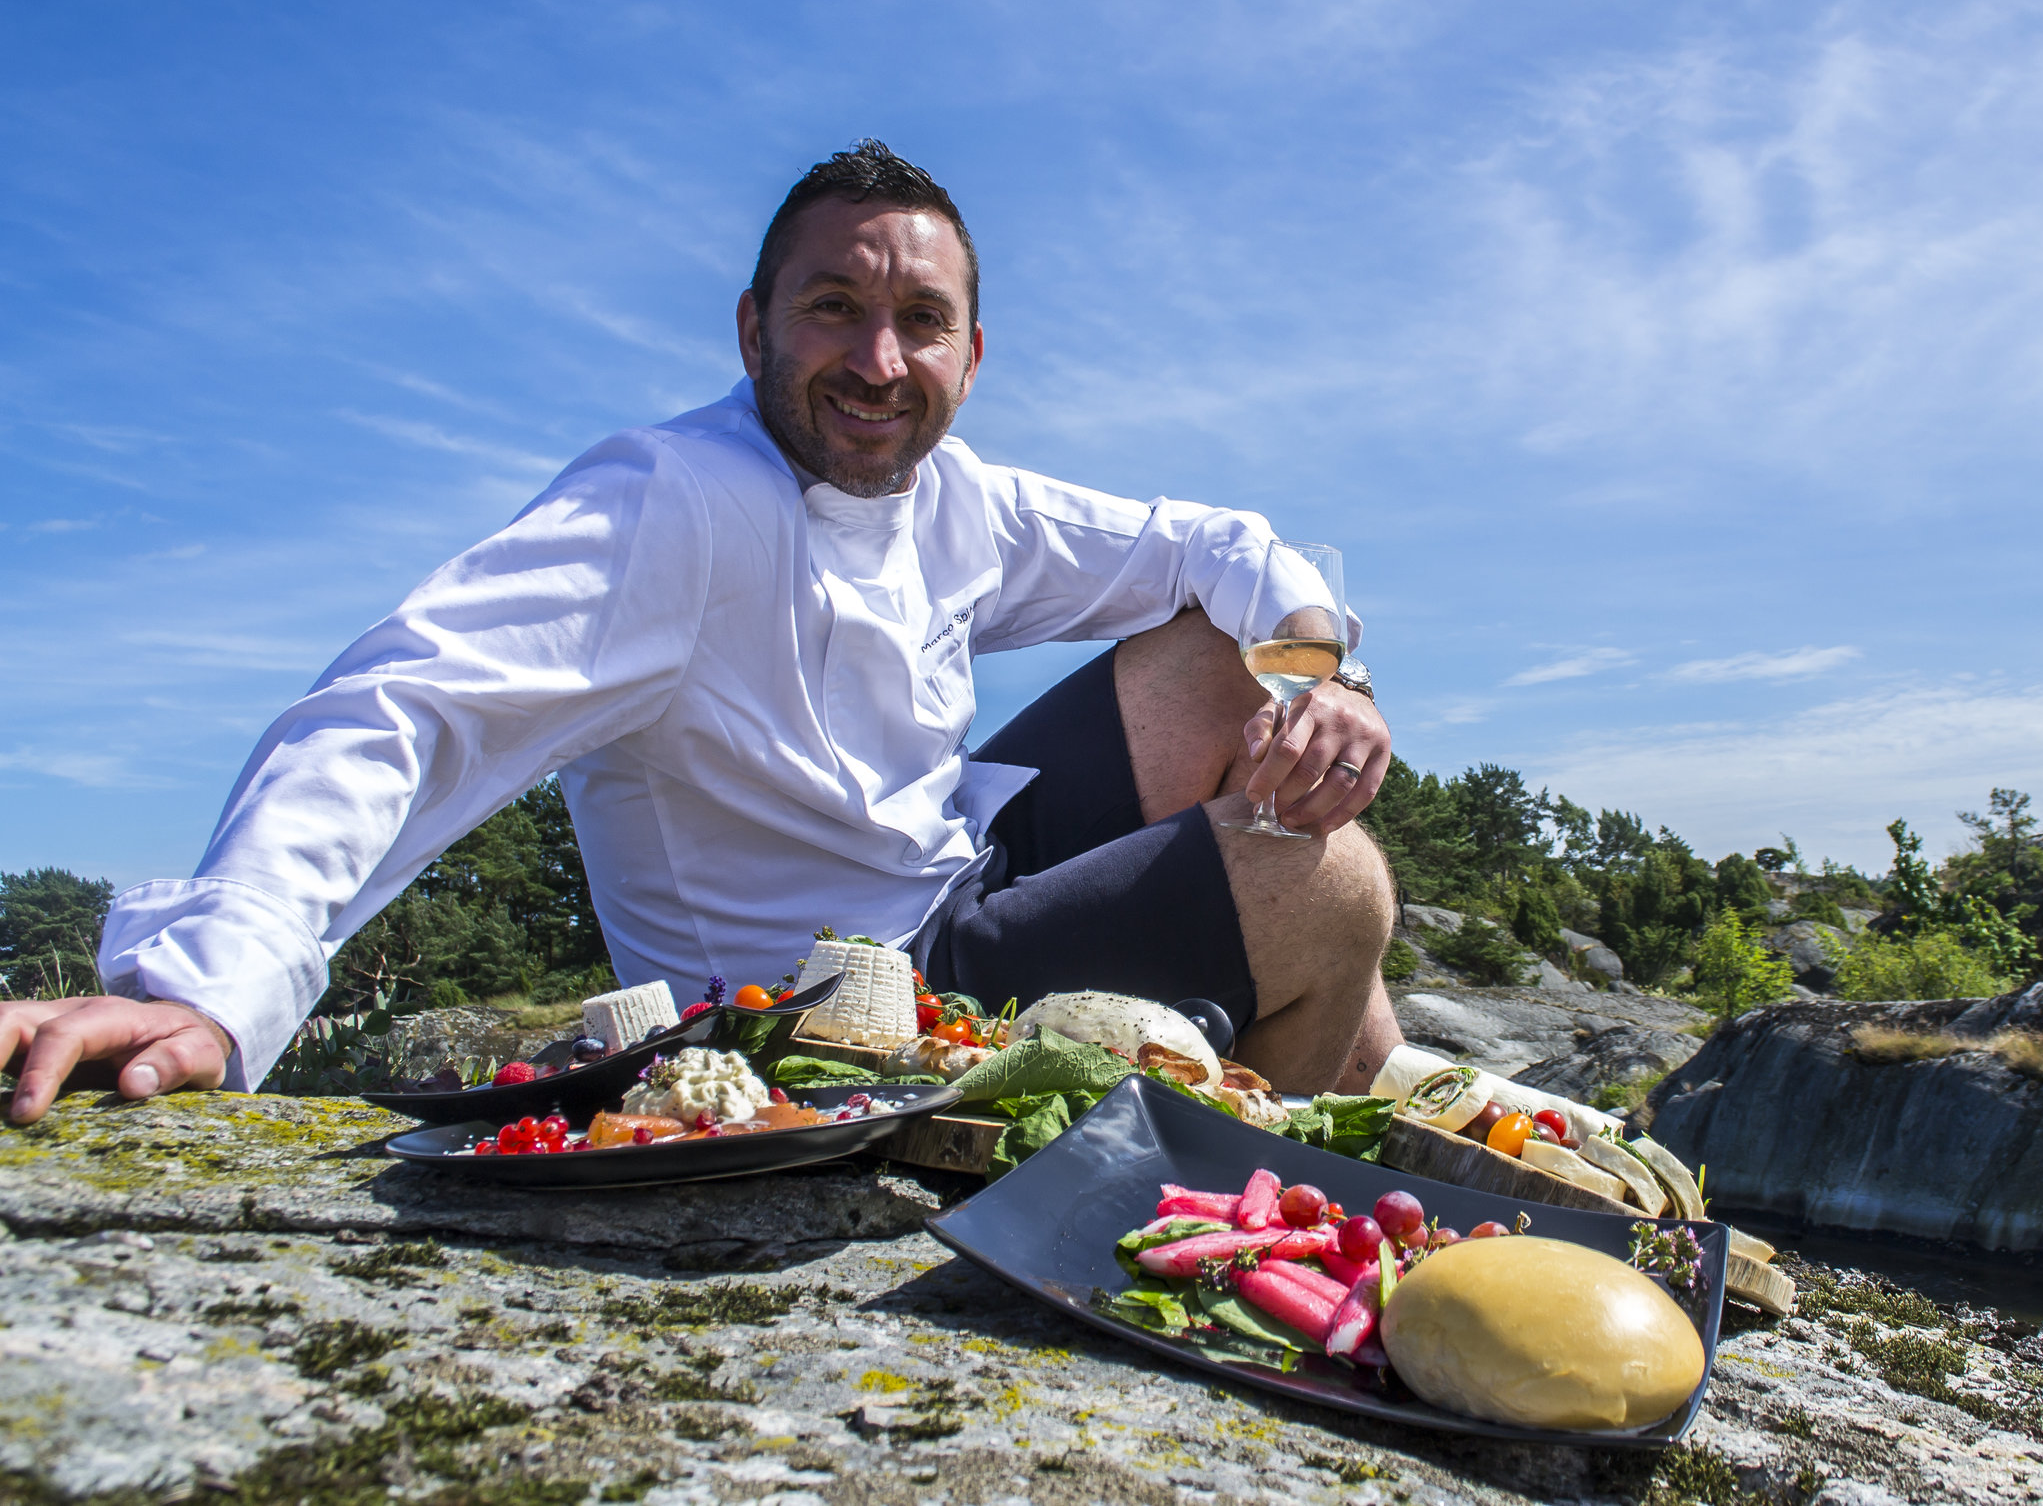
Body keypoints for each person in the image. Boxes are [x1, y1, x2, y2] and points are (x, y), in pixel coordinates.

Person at [2, 141, 1403, 1124]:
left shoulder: (960, 498)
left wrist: (1322, 672)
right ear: (752, 330)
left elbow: (1213, 544)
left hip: (947, 891)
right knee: (1334, 889)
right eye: (832, 311)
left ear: (971, 356)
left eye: (921, 321)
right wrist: (209, 990)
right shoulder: (671, 504)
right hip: (812, 1016)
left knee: (1231, 658)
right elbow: (406, 708)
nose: (877, 362)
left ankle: (1353, 1056)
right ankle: (1247, 1202)